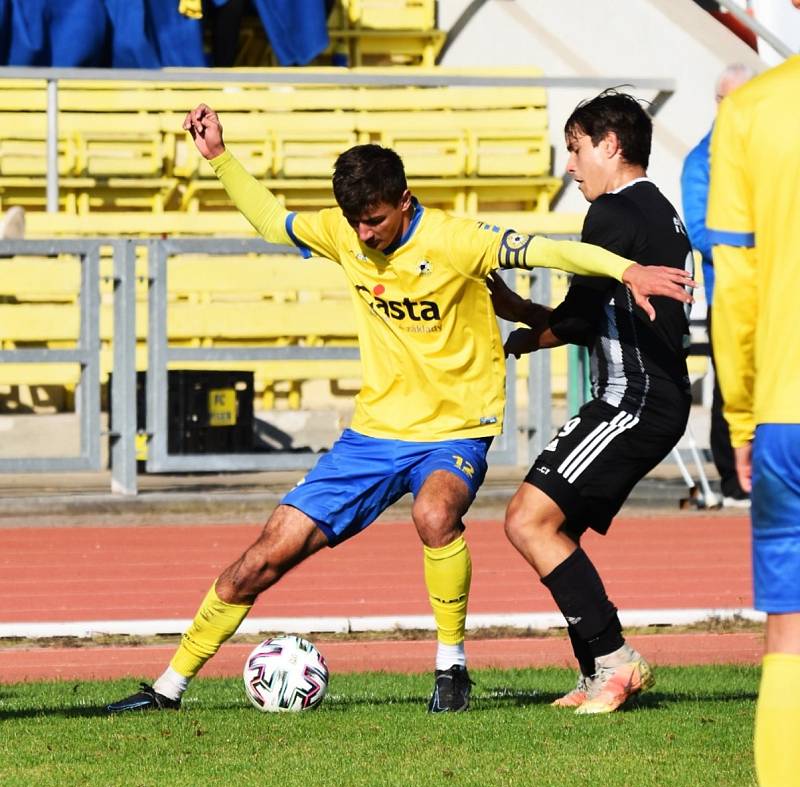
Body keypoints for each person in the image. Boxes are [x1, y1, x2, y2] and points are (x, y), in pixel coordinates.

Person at [106, 102, 693, 715]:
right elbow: (271, 221)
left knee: (438, 514)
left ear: (404, 200)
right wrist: (220, 159)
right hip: (372, 435)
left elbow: (552, 252)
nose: (365, 234)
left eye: (376, 221)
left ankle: (452, 670)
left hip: (456, 432)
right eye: (355, 222)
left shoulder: (456, 240)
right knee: (261, 558)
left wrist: (626, 271)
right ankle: (168, 689)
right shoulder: (344, 234)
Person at [490, 90, 693, 714]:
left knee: (527, 520)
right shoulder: (660, 209)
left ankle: (614, 661)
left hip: (634, 398)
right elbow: (591, 314)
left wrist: (522, 329)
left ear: (610, 146)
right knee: (555, 528)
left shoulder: (610, 214)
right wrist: (531, 322)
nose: (570, 166)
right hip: (648, 397)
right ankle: (596, 671)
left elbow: (578, 319)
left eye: (576, 149)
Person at [707, 38, 800, 787]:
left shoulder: (749, 111)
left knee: (789, 633)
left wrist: (740, 414)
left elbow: (733, 287)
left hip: (785, 413)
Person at [681, 63, 754, 508]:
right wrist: (762, 240)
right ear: (720, 103)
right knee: (732, 385)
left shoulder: (770, 151)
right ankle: (733, 482)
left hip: (778, 292)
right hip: (731, 293)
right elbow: (700, 233)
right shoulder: (700, 161)